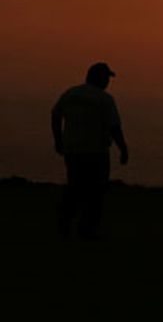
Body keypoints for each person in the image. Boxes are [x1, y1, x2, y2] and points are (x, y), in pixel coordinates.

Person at [51, 62, 129, 240]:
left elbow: (55, 115)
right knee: (96, 192)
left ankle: (65, 222)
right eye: (106, 78)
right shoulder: (104, 99)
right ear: (101, 79)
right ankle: (86, 230)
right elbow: (114, 126)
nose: (108, 82)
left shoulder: (70, 94)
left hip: (73, 150)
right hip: (96, 152)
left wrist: (58, 140)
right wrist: (123, 148)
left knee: (75, 187)